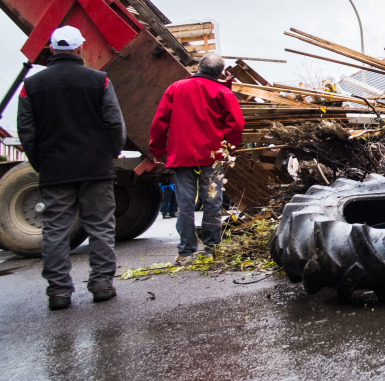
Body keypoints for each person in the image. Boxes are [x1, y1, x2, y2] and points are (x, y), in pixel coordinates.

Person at [17, 25, 126, 311]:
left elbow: (26, 132)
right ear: (80, 49)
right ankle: (102, 284)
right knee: (101, 227)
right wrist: (110, 153)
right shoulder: (99, 81)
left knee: (55, 230)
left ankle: (59, 292)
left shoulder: (32, 86)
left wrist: (40, 163)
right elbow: (114, 123)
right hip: (95, 167)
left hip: (55, 169)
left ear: (52, 50)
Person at [149, 53, 244, 265]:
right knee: (212, 201)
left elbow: (160, 121)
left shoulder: (176, 88)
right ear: (221, 72)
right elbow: (236, 124)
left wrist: (157, 148)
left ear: (199, 66)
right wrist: (229, 149)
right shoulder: (223, 93)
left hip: (183, 155)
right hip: (212, 157)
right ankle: (211, 249)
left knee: (184, 203)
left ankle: (185, 252)